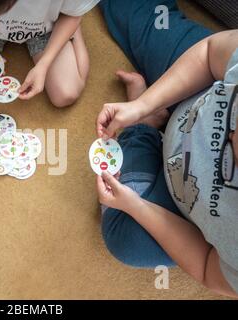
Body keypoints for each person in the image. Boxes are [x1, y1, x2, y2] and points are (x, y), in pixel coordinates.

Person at [95, 0, 238, 297]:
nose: (229, 134)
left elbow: (206, 266)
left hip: (183, 209)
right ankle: (153, 113)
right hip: (200, 84)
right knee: (126, 8)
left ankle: (149, 126)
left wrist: (137, 206)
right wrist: (141, 105)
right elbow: (209, 54)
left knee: (125, 239)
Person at [0, 0, 99, 107]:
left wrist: (44, 64)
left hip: (48, 25)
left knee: (66, 93)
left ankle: (73, 23)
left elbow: (73, 15)